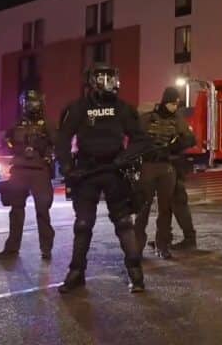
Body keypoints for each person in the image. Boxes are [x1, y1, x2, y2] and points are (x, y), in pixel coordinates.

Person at [56, 63, 151, 294]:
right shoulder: (78, 107)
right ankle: (76, 273)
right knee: (83, 225)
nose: (110, 82)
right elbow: (63, 138)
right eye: (104, 78)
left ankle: (136, 274)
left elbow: (141, 139)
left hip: (114, 171)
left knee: (124, 223)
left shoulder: (122, 108)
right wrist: (67, 167)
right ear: (93, 80)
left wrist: (124, 158)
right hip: (86, 172)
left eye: (111, 77)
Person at [135, 87, 196, 259]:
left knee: (166, 209)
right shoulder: (147, 118)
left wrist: (177, 145)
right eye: (172, 103)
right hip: (148, 166)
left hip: (168, 167)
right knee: (143, 208)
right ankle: (137, 247)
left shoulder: (178, 120)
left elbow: (191, 138)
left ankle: (162, 245)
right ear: (165, 101)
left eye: (177, 104)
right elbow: (134, 137)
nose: (174, 107)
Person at [0, 90, 57, 260]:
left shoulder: (47, 124)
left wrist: (48, 154)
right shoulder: (16, 124)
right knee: (16, 210)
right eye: (28, 102)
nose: (31, 105)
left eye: (34, 102)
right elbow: (5, 142)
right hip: (19, 170)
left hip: (40, 171)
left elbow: (58, 144)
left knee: (42, 210)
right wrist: (11, 147)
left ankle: (46, 248)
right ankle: (12, 248)